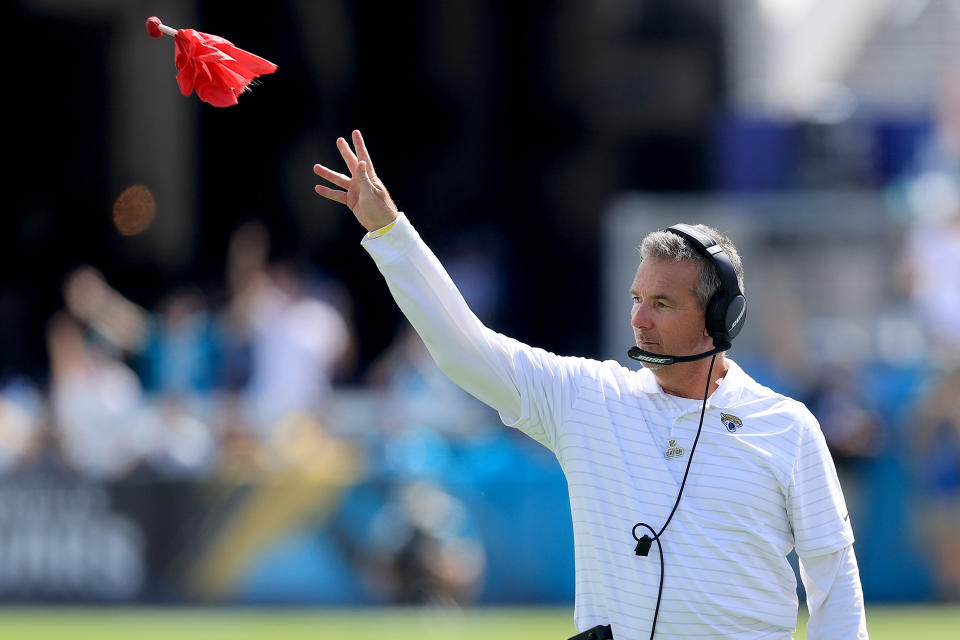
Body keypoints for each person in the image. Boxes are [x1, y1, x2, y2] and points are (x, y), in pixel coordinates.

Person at [313, 130, 868, 639]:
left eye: (662, 304)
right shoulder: (589, 398)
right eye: (636, 300)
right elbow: (465, 350)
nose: (639, 319)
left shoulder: (788, 427)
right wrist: (390, 233)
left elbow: (834, 579)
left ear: (721, 318)